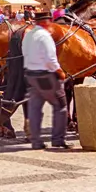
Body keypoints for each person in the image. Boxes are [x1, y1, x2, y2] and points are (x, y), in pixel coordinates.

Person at [21, 11, 70, 150]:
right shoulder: (45, 36)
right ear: (46, 22)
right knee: (61, 106)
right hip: (46, 76)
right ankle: (58, 140)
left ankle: (36, 141)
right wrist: (60, 72)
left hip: (30, 74)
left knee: (34, 108)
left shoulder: (28, 34)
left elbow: (24, 52)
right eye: (50, 21)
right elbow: (50, 58)